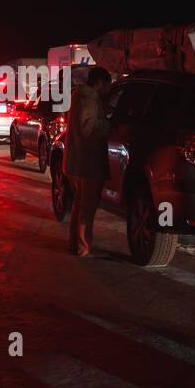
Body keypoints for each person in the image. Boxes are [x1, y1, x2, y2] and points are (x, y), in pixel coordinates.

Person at [64, 66, 113, 256]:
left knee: (79, 204)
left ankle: (75, 244)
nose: (108, 89)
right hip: (87, 162)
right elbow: (89, 128)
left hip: (79, 162)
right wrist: (108, 124)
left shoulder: (81, 96)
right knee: (87, 207)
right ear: (99, 83)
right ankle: (83, 247)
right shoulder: (89, 98)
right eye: (107, 84)